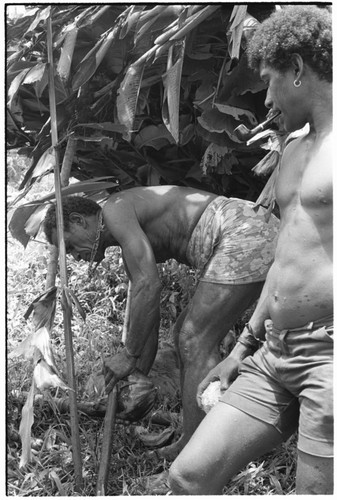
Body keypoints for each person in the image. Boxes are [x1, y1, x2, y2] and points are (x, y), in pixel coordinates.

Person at [168, 5, 332, 495]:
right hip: (276, 351)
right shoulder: (298, 149)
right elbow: (286, 257)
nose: (267, 96)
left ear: (298, 70)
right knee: (188, 478)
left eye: (269, 80)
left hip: (330, 356)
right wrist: (244, 346)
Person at [43, 185, 279, 456]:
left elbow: (148, 285)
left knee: (194, 340)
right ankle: (199, 432)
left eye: (70, 245)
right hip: (248, 231)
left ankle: (195, 449)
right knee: (185, 334)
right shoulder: (127, 239)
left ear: (78, 220)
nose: (73, 255)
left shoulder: (115, 209)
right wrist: (137, 379)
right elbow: (148, 314)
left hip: (244, 232)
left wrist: (129, 355)